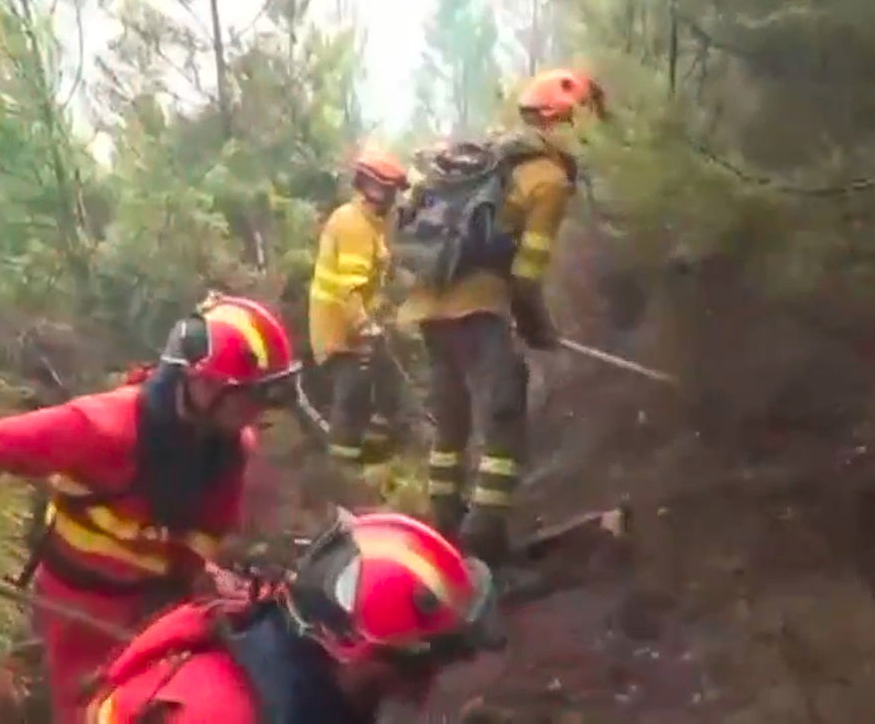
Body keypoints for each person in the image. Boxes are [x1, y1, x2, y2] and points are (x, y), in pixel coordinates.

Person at [0, 294, 302, 723]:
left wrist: (181, 590)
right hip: (76, 605)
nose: (256, 412)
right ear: (203, 384)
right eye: (248, 397)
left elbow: (208, 528)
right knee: (89, 712)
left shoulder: (231, 449)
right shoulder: (104, 427)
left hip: (153, 604)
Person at [397, 68, 609, 566]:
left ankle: (444, 523)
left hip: (428, 305)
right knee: (503, 418)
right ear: (566, 120)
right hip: (479, 307)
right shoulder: (550, 179)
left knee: (450, 422)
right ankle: (483, 538)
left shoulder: (489, 158)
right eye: (586, 124)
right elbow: (527, 274)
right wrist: (537, 327)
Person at [84, 509, 500, 723]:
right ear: (358, 654)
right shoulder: (217, 714)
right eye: (423, 666)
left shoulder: (302, 675)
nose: (429, 685)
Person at [309, 148, 411, 478]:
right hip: (341, 333)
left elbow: (373, 281)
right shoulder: (353, 224)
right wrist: (365, 326)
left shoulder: (371, 223)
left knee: (382, 391)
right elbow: (350, 287)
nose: (388, 196)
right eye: (383, 188)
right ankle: (341, 477)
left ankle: (376, 464)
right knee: (352, 400)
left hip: (354, 330)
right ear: (368, 186)